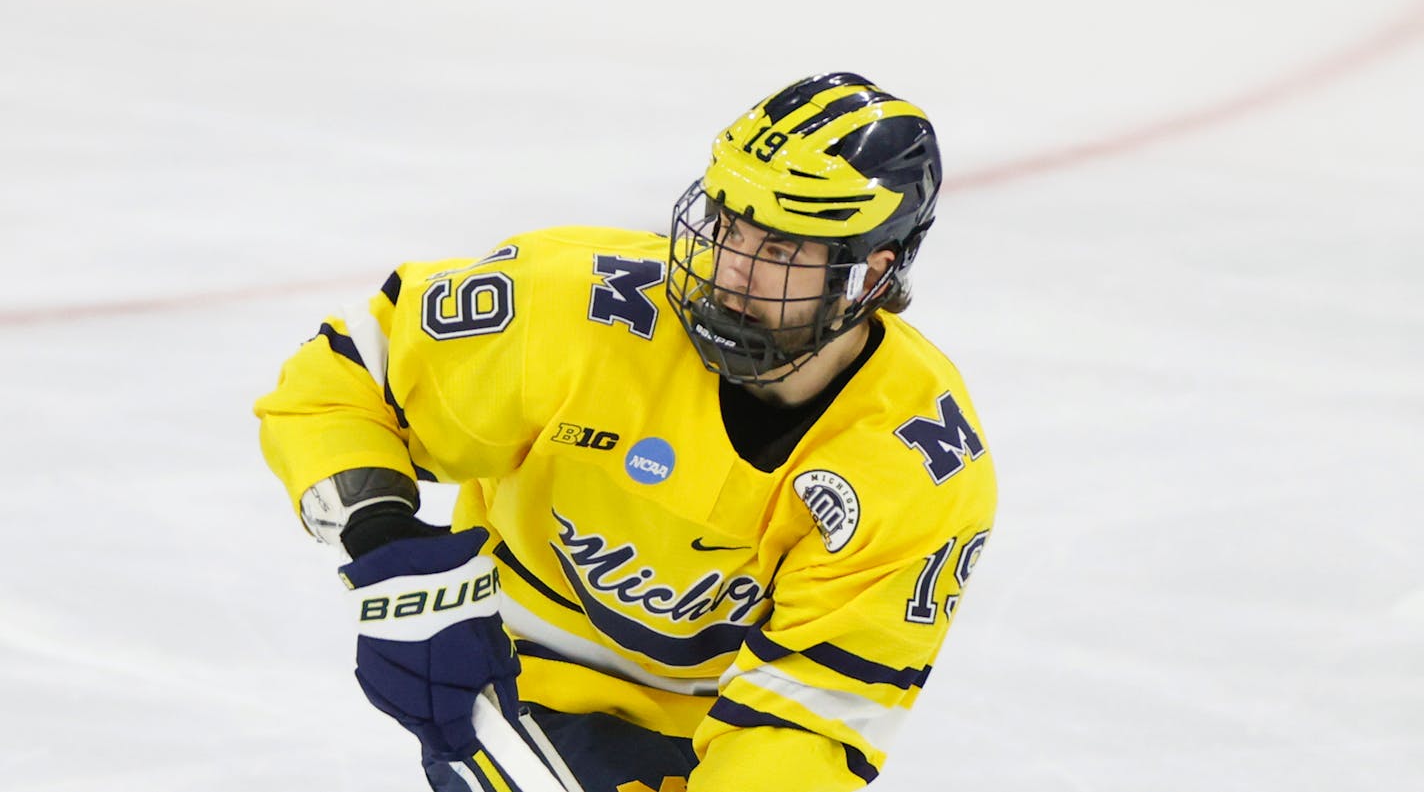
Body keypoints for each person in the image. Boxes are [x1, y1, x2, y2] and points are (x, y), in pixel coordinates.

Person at [255, 71, 997, 792]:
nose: (731, 269)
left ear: (870, 272)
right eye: (729, 229)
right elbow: (342, 379)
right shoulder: (575, 308)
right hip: (508, 667)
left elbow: (811, 711)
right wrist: (385, 542)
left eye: (777, 252)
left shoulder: (917, 462)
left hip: (709, 729)